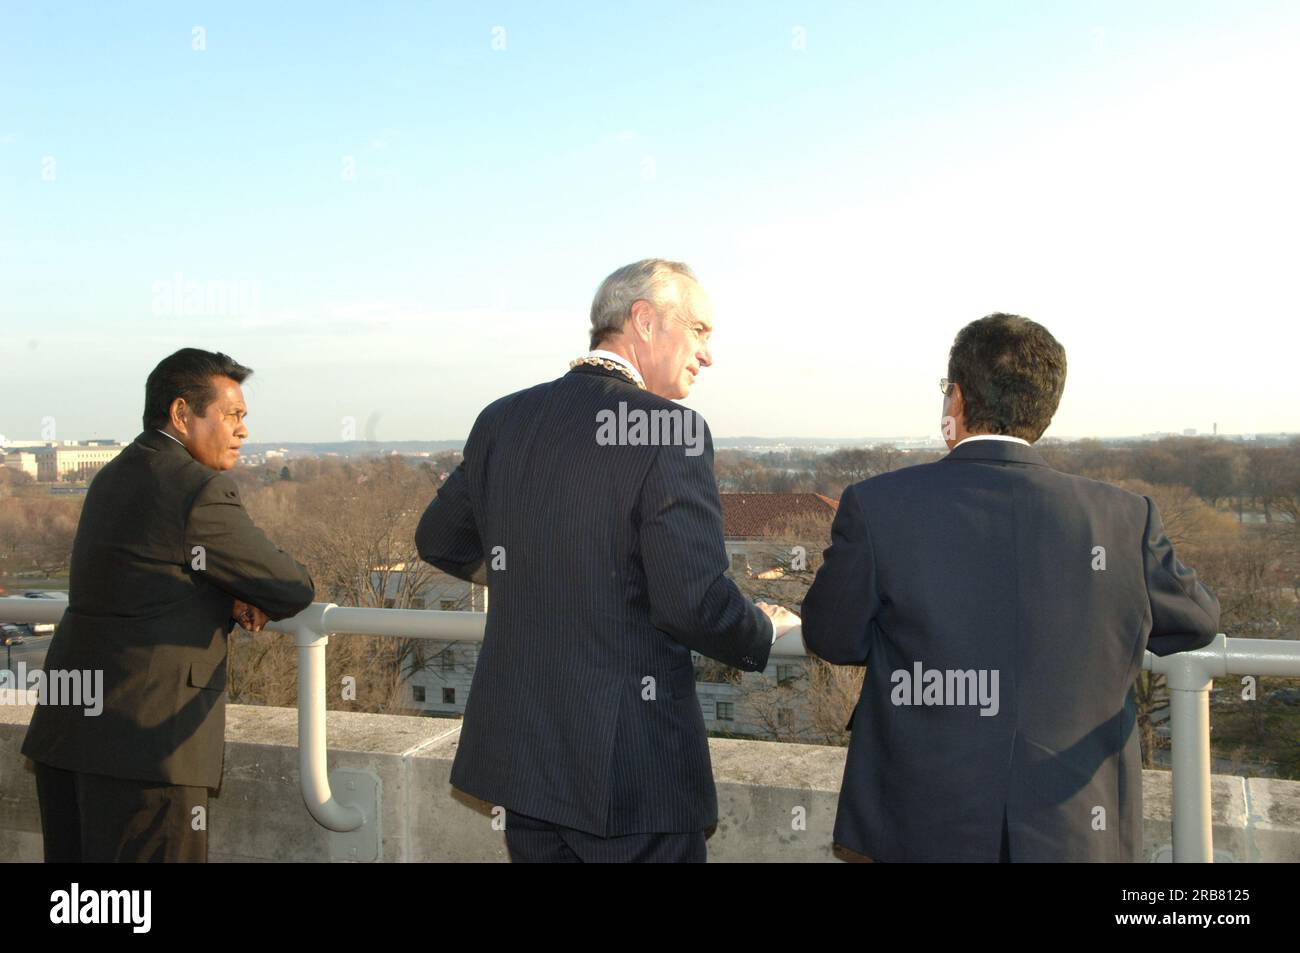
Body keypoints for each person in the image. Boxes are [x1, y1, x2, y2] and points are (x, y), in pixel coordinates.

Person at [416, 259, 799, 862]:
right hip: (631, 771)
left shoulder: (504, 418)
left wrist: (539, 568)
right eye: (699, 330)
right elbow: (692, 601)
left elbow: (441, 539)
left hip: (528, 761)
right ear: (644, 321)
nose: (708, 354)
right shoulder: (669, 431)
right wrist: (763, 627)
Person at [801, 313, 1219, 862]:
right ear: (1044, 409)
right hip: (1075, 826)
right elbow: (1194, 620)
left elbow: (833, 637)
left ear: (957, 397)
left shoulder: (880, 506)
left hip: (919, 824)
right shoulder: (1123, 517)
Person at [22, 348, 315, 862]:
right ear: (183, 414)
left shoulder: (115, 474)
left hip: (70, 733)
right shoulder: (196, 488)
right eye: (233, 415)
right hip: (146, 750)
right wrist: (238, 590)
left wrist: (223, 591)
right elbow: (290, 587)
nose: (243, 431)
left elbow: (147, 576)